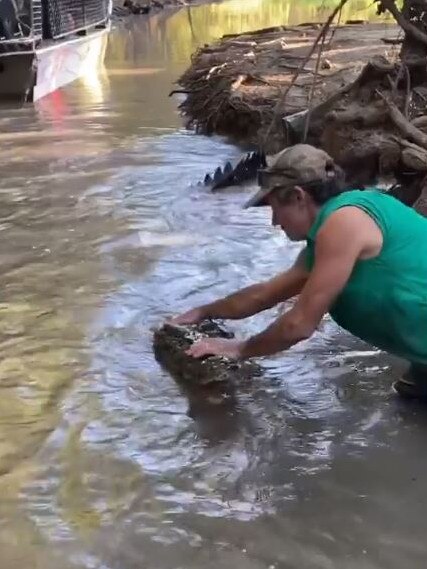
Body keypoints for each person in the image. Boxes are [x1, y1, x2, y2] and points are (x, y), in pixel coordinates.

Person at [169, 144, 427, 400]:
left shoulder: (344, 223)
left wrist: (239, 349)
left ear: (297, 197)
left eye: (274, 208)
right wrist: (203, 311)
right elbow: (263, 295)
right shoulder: (334, 230)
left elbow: (299, 325)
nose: (274, 221)